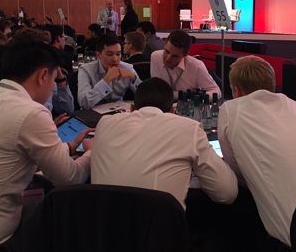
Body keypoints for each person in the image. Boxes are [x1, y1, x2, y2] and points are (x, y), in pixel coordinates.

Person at [0, 41, 92, 252]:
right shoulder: (31, 111)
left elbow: (5, 151)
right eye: (53, 80)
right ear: (43, 75)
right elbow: (69, 178)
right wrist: (92, 153)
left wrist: (69, 147)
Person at [218, 55, 296, 247]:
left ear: (236, 90)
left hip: (294, 238)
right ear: (273, 84)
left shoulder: (230, 110)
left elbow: (237, 172)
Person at [92, 77, 238, 208]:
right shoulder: (189, 129)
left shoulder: (104, 123)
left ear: (131, 109)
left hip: (102, 230)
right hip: (159, 233)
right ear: (172, 111)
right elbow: (226, 193)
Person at [150, 29, 221, 99]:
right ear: (164, 44)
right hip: (162, 103)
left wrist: (198, 98)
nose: (168, 58)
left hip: (189, 105)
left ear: (185, 55)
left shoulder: (196, 66)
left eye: (175, 56)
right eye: (167, 51)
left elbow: (215, 91)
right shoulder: (156, 57)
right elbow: (156, 90)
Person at [78, 33, 141, 109]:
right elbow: (84, 103)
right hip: (93, 114)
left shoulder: (127, 68)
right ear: (98, 55)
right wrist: (106, 80)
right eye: (109, 54)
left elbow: (146, 97)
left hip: (119, 113)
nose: (115, 59)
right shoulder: (86, 70)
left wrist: (134, 78)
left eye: (118, 54)